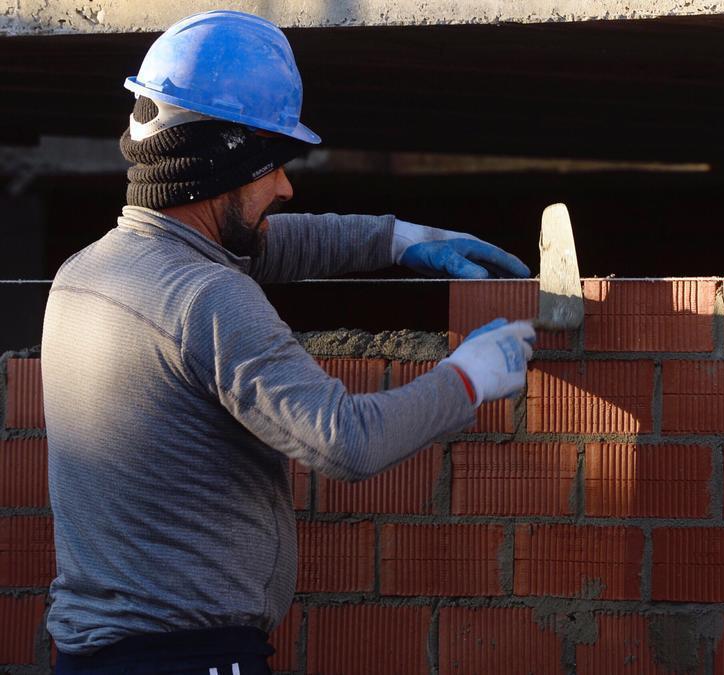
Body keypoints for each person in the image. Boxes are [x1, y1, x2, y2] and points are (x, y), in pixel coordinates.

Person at [40, 10, 535, 674]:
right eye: (271, 166)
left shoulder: (89, 273)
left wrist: (400, 237)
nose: (285, 185)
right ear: (222, 163)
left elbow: (270, 241)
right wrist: (469, 376)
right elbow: (343, 438)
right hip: (186, 657)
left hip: (93, 655)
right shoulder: (209, 296)